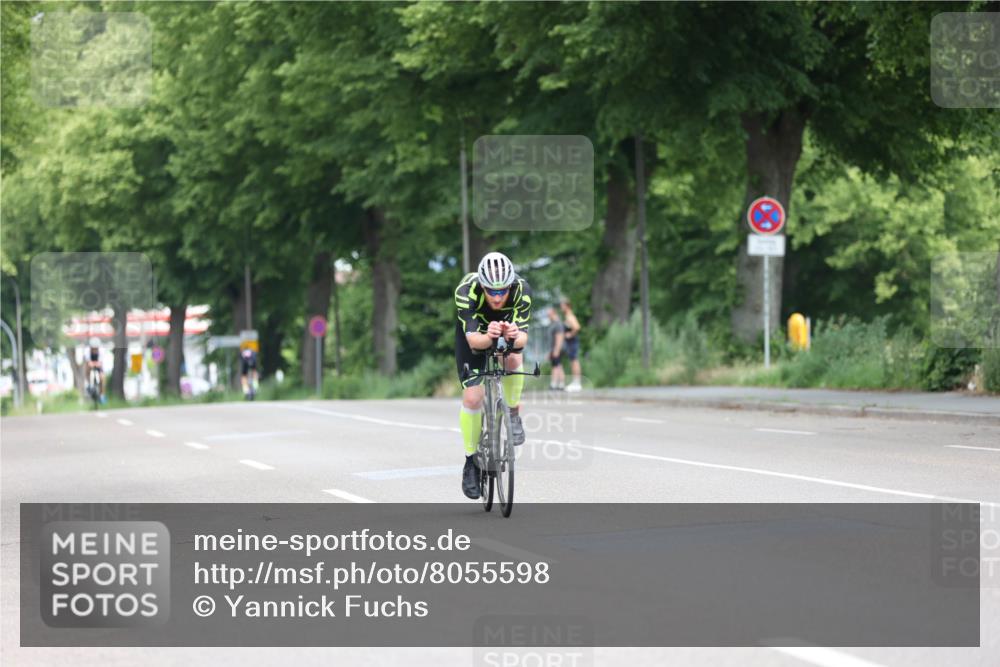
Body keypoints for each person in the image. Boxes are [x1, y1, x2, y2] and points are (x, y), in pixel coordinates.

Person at [454, 251, 531, 500]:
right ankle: (470, 462)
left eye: (502, 291)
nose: (497, 298)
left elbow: (522, 340)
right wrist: (489, 336)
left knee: (514, 358)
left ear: (510, 285)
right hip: (475, 335)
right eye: (491, 291)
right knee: (473, 398)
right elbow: (474, 342)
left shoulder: (521, 289)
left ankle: (513, 413)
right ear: (482, 286)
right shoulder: (466, 291)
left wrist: (512, 335)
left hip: (506, 329)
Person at [560, 299, 583, 392]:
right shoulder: (567, 316)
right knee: (572, 361)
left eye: (562, 305)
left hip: (573, 342)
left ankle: (577, 383)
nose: (561, 307)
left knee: (574, 361)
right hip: (570, 343)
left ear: (567, 306)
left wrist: (570, 334)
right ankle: (575, 382)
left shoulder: (570, 316)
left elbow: (577, 327)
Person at [547, 306, 566, 390]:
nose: (548, 316)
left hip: (557, 348)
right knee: (558, 365)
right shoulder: (552, 323)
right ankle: (561, 384)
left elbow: (560, 337)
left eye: (549, 314)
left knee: (555, 366)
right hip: (554, 349)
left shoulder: (558, 323)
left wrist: (556, 350)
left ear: (554, 313)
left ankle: (554, 384)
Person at [85, 336, 104, 401]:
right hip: (90, 364)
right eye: (93, 348)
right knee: (87, 368)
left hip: (98, 365)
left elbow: (100, 363)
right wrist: (92, 364)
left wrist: (95, 364)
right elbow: (88, 362)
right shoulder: (87, 351)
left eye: (96, 348)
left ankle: (101, 394)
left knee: (102, 378)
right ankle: (88, 383)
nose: (95, 350)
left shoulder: (101, 351)